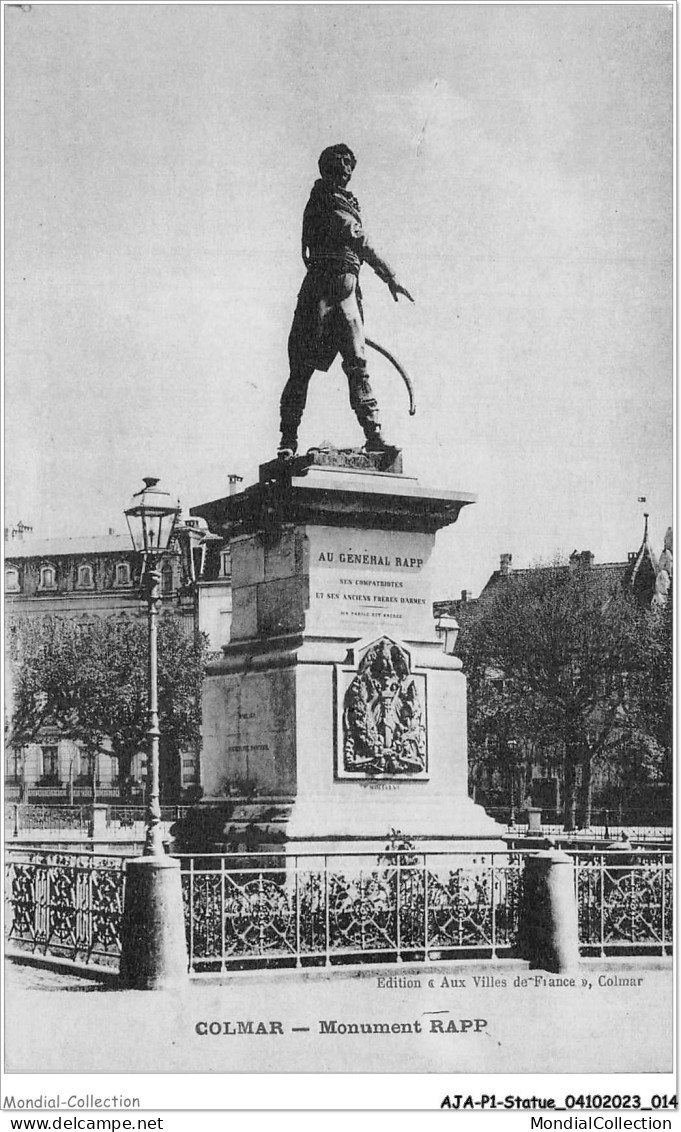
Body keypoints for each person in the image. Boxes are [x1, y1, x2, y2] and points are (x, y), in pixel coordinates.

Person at [278, 144, 414, 458]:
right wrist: (390, 275)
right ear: (328, 169)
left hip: (347, 294)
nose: (346, 172)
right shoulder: (326, 198)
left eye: (349, 167)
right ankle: (287, 441)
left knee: (358, 366)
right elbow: (357, 238)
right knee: (301, 370)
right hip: (320, 293)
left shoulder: (347, 201)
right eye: (340, 167)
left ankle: (374, 435)